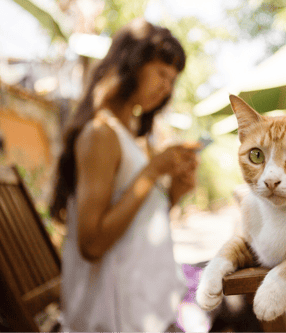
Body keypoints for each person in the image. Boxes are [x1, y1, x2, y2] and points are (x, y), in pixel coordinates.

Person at [50, 18, 199, 332]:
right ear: (132, 65)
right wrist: (152, 170)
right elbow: (91, 244)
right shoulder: (101, 134)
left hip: (146, 308)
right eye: (161, 73)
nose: (166, 88)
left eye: (173, 81)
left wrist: (174, 191)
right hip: (118, 319)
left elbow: (135, 225)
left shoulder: (131, 137)